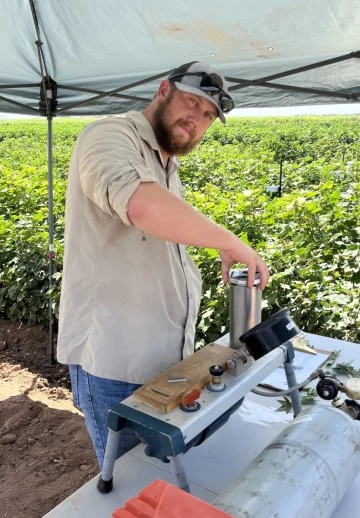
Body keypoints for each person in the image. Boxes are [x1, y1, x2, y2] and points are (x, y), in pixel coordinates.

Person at [57, 61, 270, 469]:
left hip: (164, 360)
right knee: (128, 486)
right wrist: (228, 240)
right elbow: (138, 203)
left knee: (159, 477)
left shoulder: (167, 166)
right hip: (115, 364)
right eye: (192, 102)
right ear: (163, 91)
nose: (197, 119)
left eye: (208, 115)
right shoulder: (108, 135)